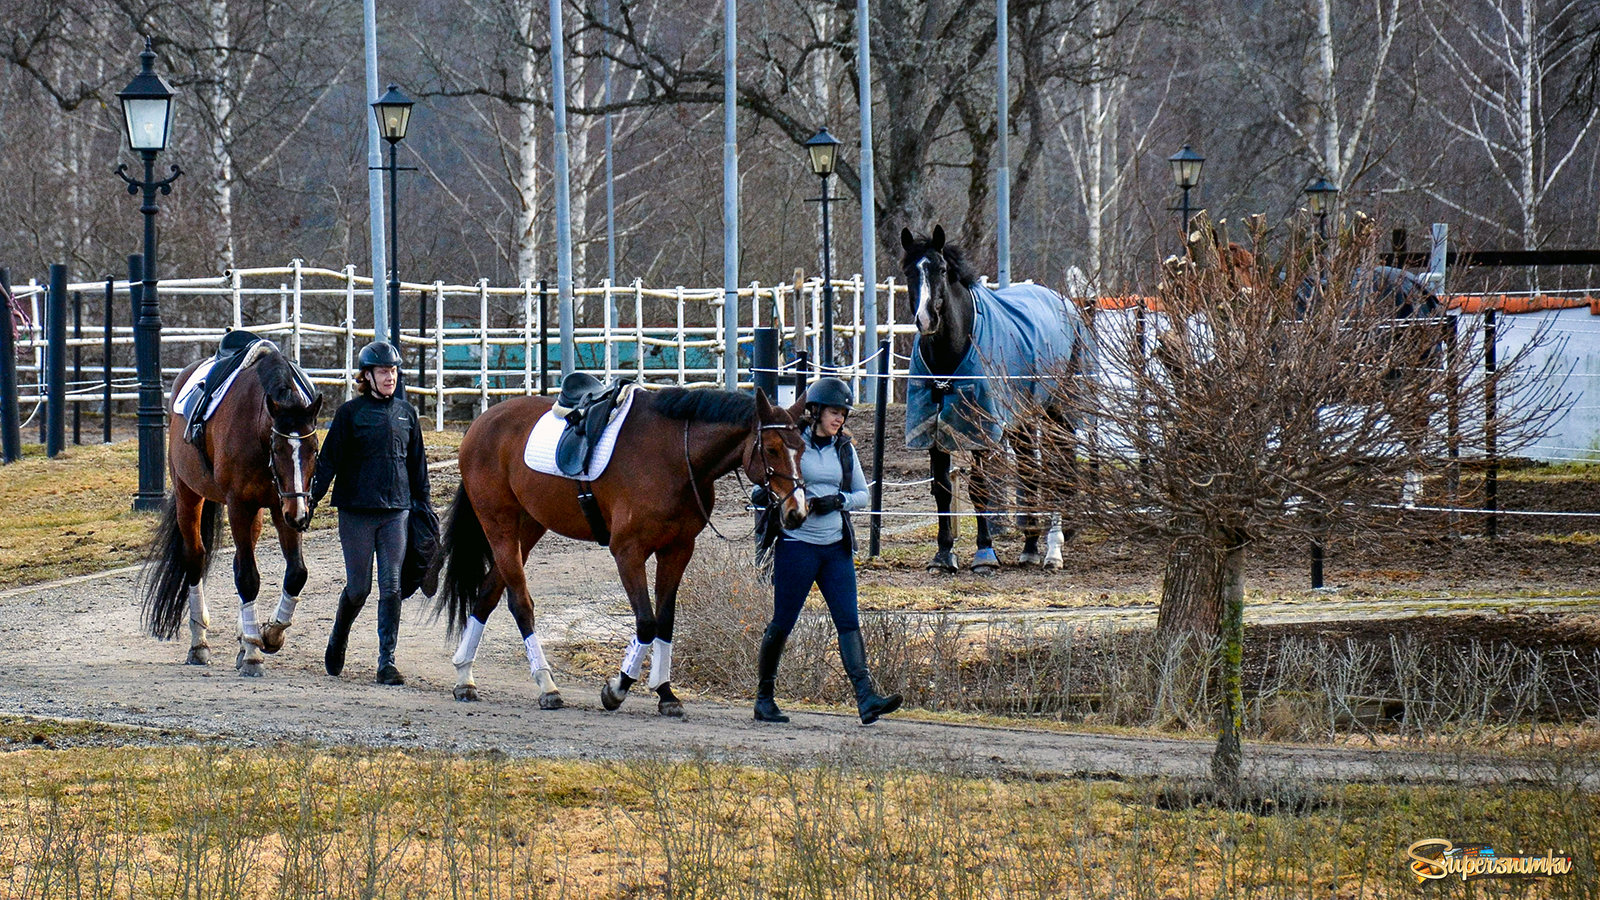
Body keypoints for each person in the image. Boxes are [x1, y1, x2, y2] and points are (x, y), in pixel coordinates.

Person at [753, 377, 903, 725]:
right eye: (835, 412)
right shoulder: (796, 443)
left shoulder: (844, 449)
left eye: (844, 414)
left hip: (835, 548)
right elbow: (774, 480)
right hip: (797, 546)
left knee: (848, 621)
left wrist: (839, 500)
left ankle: (866, 699)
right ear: (816, 411)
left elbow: (864, 495)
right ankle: (764, 698)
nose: (840, 419)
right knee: (783, 622)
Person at [311, 340, 430, 685]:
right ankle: (338, 636)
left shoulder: (407, 414)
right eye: (382, 371)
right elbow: (329, 461)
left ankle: (386, 661)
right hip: (357, 511)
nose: (389, 377)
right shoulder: (350, 414)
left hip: (397, 511)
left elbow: (418, 468)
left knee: (391, 586)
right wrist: (311, 501)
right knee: (358, 588)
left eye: (393, 370)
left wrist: (426, 512)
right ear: (367, 375)